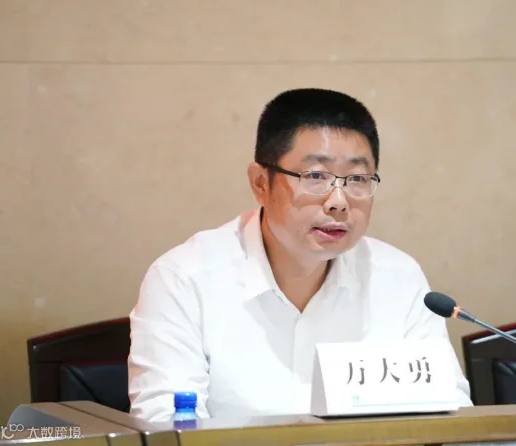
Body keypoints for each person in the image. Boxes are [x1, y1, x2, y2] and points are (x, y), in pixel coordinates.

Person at [127, 88, 473, 422]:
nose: (338, 202)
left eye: (357, 178)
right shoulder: (185, 278)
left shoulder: (398, 278)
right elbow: (167, 427)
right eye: (316, 176)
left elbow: (450, 416)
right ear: (261, 183)